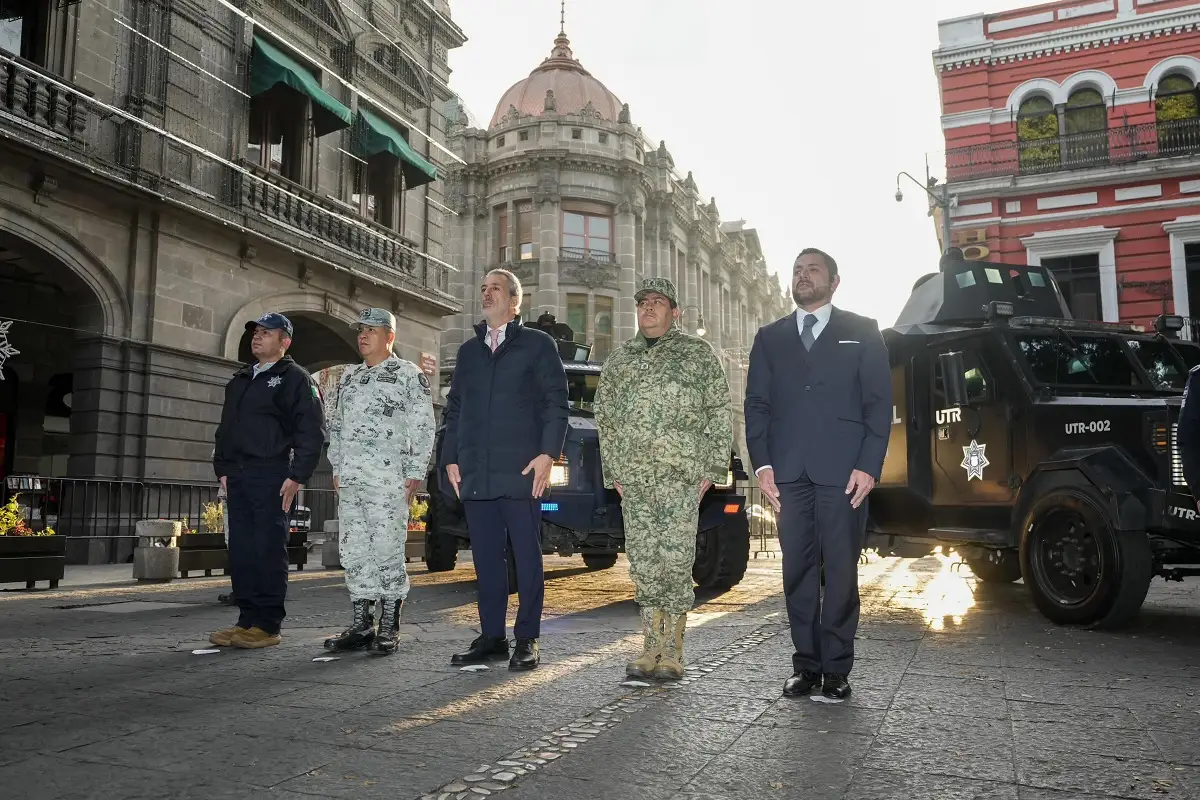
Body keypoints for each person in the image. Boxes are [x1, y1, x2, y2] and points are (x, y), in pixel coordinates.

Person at [744, 248, 891, 701]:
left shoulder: (862, 331)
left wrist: (869, 465)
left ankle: (837, 671)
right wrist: (763, 465)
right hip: (788, 476)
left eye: (812, 270)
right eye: (797, 270)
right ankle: (806, 667)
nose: (802, 276)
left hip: (845, 474)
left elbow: (879, 404)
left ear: (834, 281)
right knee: (798, 573)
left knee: (842, 572)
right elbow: (758, 406)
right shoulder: (770, 337)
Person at [594, 277, 732, 680]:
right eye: (643, 303)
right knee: (644, 564)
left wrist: (711, 470)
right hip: (634, 480)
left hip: (680, 477)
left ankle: (673, 651)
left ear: (675, 313)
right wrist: (614, 472)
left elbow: (718, 410)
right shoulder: (621, 360)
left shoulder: (697, 354)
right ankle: (649, 647)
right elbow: (606, 417)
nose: (648, 309)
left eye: (657, 302)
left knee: (675, 561)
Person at [439, 269, 568, 671]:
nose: (486, 294)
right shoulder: (469, 352)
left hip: (522, 470)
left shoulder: (537, 345)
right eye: (483, 289)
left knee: (526, 557)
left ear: (515, 301)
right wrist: (450, 457)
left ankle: (526, 638)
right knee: (486, 560)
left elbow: (555, 402)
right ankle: (492, 637)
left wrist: (548, 454)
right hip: (476, 473)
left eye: (495, 288)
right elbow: (455, 408)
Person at [323, 308, 436, 655]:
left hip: (389, 481)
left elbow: (423, 426)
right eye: (361, 330)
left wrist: (416, 471)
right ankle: (361, 624)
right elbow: (337, 426)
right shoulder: (351, 378)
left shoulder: (407, 375)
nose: (363, 336)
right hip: (353, 480)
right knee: (354, 552)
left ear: (390, 337)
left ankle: (388, 625)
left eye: (372, 330)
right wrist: (337, 467)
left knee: (387, 551)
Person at [210, 312, 325, 649]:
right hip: (239, 477)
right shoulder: (240, 379)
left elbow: (310, 432)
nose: (257, 337)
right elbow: (225, 429)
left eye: (266, 333)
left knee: (267, 549)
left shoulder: (295, 379)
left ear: (284, 341)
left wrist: (296, 476)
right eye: (255, 332)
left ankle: (268, 625)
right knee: (242, 550)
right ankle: (246, 620)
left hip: (271, 475)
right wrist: (223, 470)